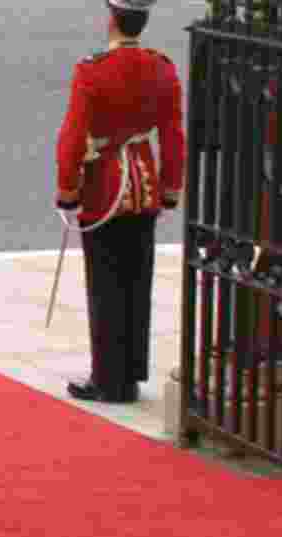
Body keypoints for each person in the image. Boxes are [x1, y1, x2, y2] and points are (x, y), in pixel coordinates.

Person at [55, 0, 185, 403]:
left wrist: (68, 190)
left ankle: (109, 378)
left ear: (111, 18)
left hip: (105, 188)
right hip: (144, 185)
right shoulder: (161, 66)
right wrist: (170, 188)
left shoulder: (91, 70)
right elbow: (173, 136)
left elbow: (73, 136)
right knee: (136, 281)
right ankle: (130, 373)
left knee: (105, 285)